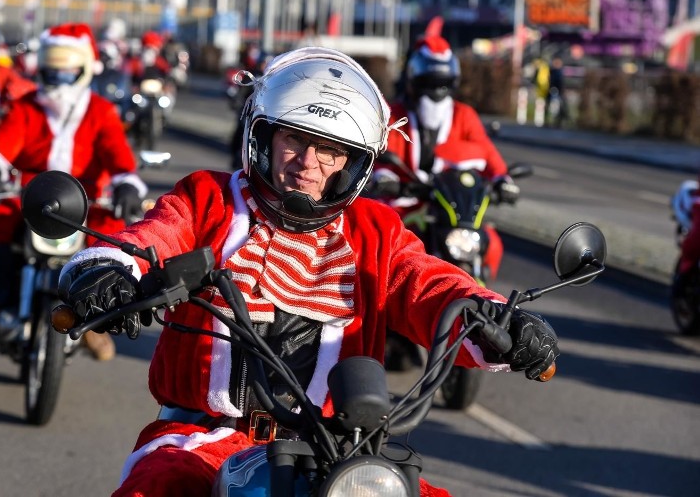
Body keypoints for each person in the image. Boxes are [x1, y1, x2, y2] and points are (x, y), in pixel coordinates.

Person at [55, 46, 560, 496]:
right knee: (157, 487)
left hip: (335, 454)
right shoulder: (208, 198)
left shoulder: (375, 230)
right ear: (265, 137)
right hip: (201, 438)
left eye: (331, 151)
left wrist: (498, 320)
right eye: (295, 140)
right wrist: (111, 268)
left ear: (353, 164)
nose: (308, 164)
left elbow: (424, 280)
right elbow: (155, 235)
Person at [0, 22, 148, 362]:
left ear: (85, 67)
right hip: (29, 197)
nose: (58, 74)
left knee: (111, 238)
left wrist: (126, 185)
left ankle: (95, 319)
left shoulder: (101, 112)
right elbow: (2, 149)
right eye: (52, 66)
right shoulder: (26, 106)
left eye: (67, 68)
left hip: (87, 202)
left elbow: (120, 159)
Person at [375, 35, 519, 278]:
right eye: (429, 83)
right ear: (413, 81)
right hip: (406, 205)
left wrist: (501, 179)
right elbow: (380, 154)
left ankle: (483, 297)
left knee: (491, 244)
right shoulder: (395, 115)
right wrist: (384, 177)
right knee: (384, 242)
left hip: (453, 210)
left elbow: (487, 152)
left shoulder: (465, 115)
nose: (436, 92)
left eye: (443, 84)